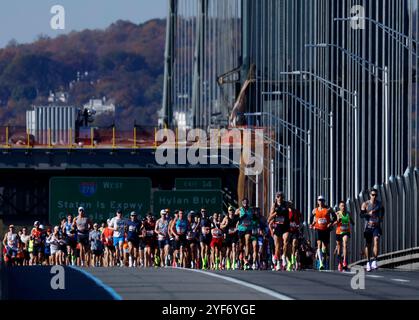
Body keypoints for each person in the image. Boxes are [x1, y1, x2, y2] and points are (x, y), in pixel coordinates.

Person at [361, 189, 385, 272]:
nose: (374, 197)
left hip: (376, 226)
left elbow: (383, 210)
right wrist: (368, 213)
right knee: (368, 244)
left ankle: (375, 260)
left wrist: (381, 219)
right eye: (372, 195)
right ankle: (368, 262)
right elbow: (361, 215)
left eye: (375, 195)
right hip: (368, 227)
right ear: (370, 195)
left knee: (376, 240)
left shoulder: (379, 204)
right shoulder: (366, 204)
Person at [310, 195, 336, 271]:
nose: (321, 201)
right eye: (319, 200)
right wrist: (311, 224)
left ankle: (323, 261)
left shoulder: (328, 209)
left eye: (322, 200)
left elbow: (334, 217)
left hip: (326, 229)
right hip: (318, 228)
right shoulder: (315, 210)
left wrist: (330, 223)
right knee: (319, 244)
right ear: (317, 201)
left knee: (325, 247)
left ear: (324, 201)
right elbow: (311, 218)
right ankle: (321, 263)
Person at [268, 192, 290, 271]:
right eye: (277, 196)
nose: (279, 198)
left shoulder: (286, 204)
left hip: (285, 226)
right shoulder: (274, 205)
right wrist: (273, 216)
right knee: (277, 246)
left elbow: (292, 209)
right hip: (277, 227)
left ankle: (284, 256)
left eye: (280, 196)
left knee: (286, 240)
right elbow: (270, 215)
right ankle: (278, 262)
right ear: (276, 198)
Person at [334, 201, 355, 272]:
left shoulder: (348, 213)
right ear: (339, 207)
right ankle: (339, 263)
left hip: (346, 232)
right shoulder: (337, 213)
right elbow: (336, 221)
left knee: (345, 244)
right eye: (342, 206)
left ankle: (345, 261)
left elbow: (352, 221)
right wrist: (338, 220)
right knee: (339, 249)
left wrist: (352, 222)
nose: (343, 207)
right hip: (338, 232)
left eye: (344, 206)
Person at [236, 198, 253, 270]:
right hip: (241, 229)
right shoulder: (239, 210)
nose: (245, 203)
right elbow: (235, 219)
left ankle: (246, 258)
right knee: (241, 245)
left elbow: (254, 218)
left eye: (246, 202)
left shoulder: (251, 210)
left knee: (247, 241)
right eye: (244, 202)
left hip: (248, 228)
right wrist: (241, 217)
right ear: (242, 203)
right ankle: (239, 259)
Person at [288, 201, 303, 271]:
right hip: (288, 231)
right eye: (289, 204)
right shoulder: (285, 212)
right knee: (288, 247)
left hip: (295, 231)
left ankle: (293, 259)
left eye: (291, 204)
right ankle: (289, 261)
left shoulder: (296, 212)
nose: (290, 205)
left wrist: (300, 225)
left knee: (295, 244)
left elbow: (301, 219)